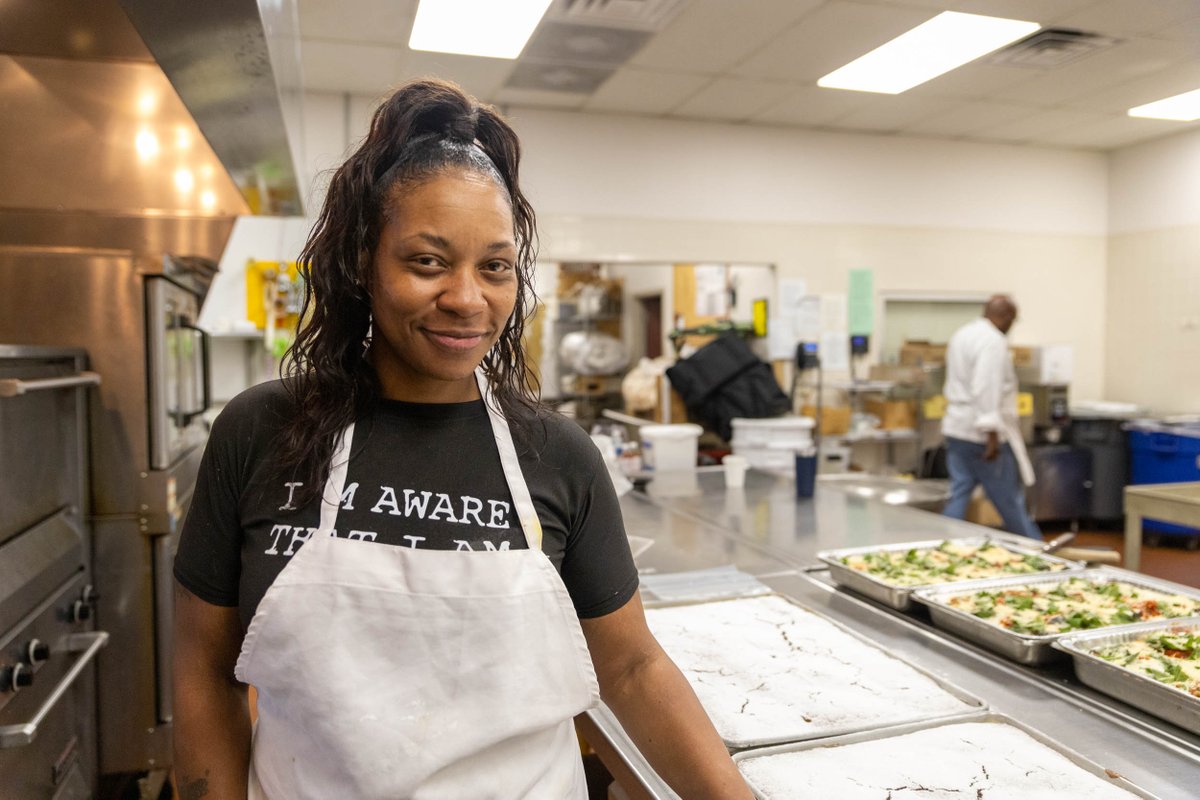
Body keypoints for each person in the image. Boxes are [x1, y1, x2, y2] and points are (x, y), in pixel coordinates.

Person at [171, 79, 752, 800]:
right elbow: (202, 666)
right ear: (363, 261)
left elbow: (631, 668)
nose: (468, 299)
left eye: (495, 267)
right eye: (427, 261)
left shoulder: (559, 456)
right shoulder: (261, 432)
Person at [940, 295, 1041, 539]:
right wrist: (991, 433)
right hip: (982, 435)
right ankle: (1038, 550)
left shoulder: (962, 334)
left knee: (960, 492)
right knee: (1008, 498)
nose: (1011, 326)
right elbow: (985, 387)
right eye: (1013, 320)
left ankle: (941, 545)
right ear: (1005, 316)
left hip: (957, 428)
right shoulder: (993, 341)